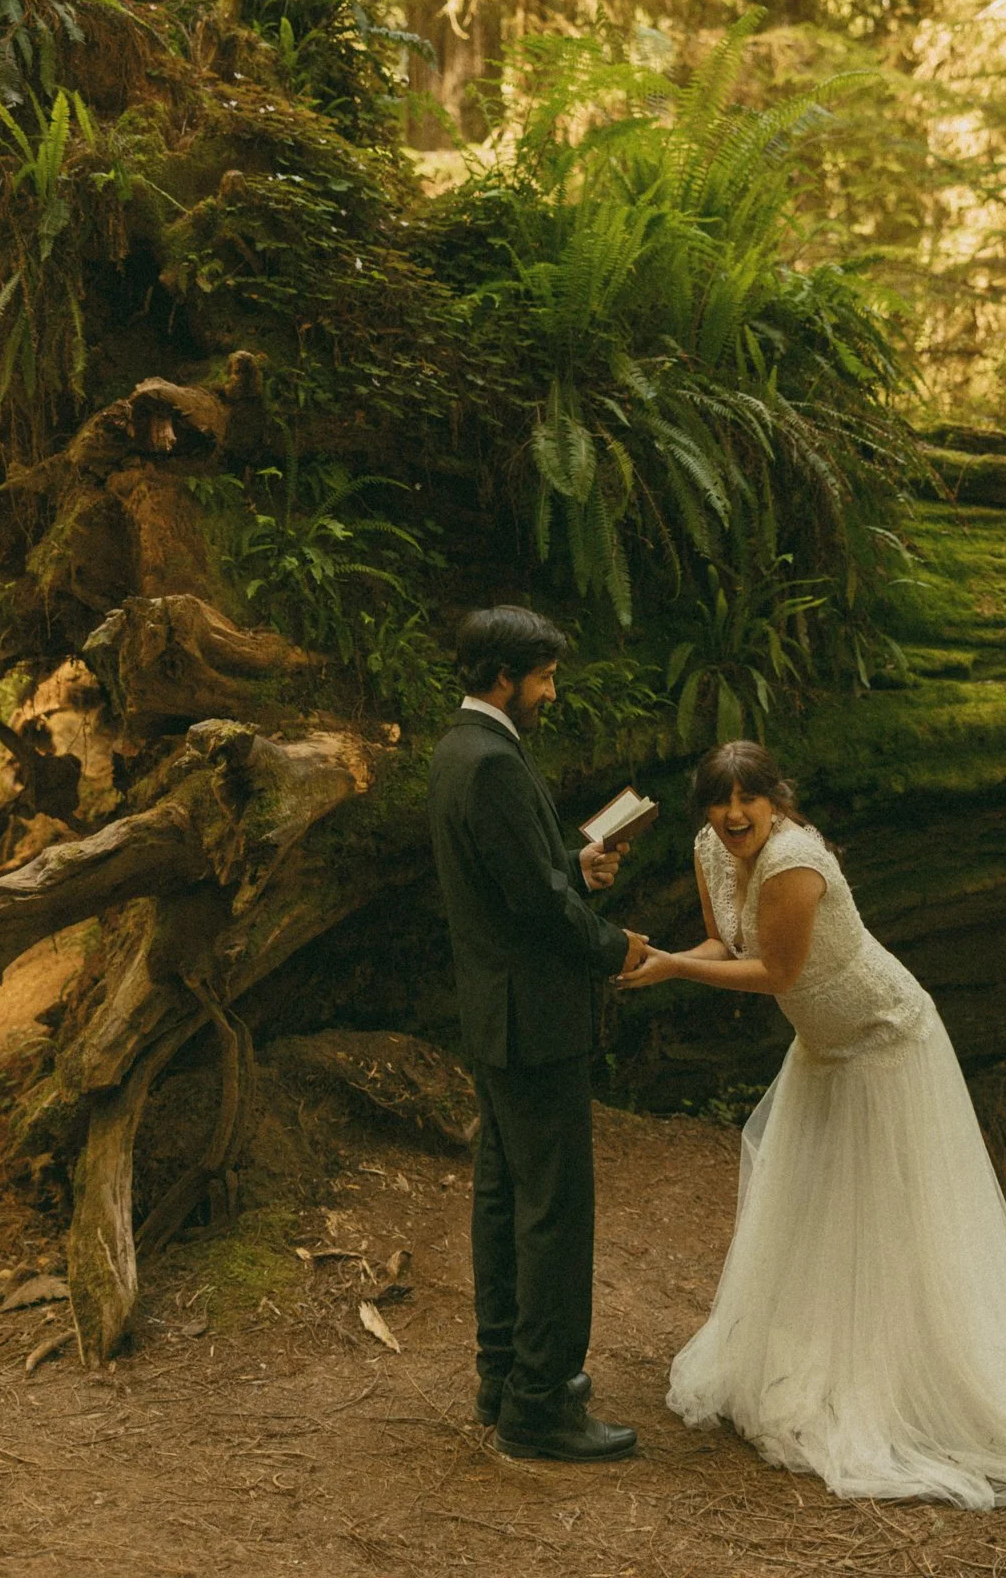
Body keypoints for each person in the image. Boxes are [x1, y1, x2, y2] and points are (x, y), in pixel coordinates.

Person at [618, 740, 1006, 1508]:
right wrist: (667, 955)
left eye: (749, 799)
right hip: (825, 1047)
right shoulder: (712, 847)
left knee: (891, 1216)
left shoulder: (793, 861)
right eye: (719, 800)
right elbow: (729, 943)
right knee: (818, 1212)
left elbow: (776, 972)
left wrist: (674, 969)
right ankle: (821, 1365)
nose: (733, 814)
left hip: (883, 1037)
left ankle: (907, 1381)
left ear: (776, 800)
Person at [428, 605, 649, 1462]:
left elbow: (519, 880)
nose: (551, 693)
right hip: (533, 1019)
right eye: (543, 678)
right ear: (500, 679)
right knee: (553, 1208)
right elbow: (534, 909)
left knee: (502, 1195)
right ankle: (541, 1404)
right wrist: (612, 947)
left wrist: (575, 869)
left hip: (494, 1011)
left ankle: (504, 1376)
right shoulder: (490, 764)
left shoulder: (459, 750)